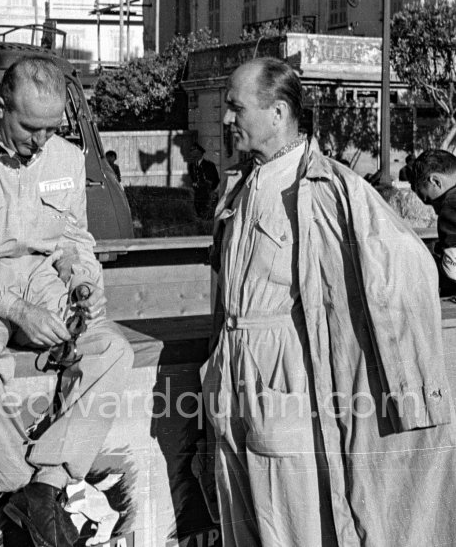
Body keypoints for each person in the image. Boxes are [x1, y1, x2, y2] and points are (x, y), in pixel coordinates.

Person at [202, 57, 456, 546]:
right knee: (239, 522)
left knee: (294, 524)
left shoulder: (333, 188)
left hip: (284, 376)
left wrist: (402, 376)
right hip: (229, 371)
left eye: (236, 108)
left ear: (277, 113)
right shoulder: (235, 187)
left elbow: (409, 269)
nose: (228, 119)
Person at [0, 57, 134, 547]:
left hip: (42, 281)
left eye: (51, 129)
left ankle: (45, 488)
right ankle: (24, 488)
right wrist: (17, 311)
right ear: (0, 108)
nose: (42, 141)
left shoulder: (65, 157)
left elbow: (75, 240)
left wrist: (83, 284)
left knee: (113, 350)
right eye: (30, 128)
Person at [411, 149, 456, 286]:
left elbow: (452, 272)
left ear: (435, 181)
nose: (437, 212)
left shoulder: (450, 205)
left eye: (431, 202)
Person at [188, 143, 220, 219]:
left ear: (201, 154)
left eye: (195, 153)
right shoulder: (191, 166)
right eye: (192, 154)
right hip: (196, 194)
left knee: (207, 215)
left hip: (207, 194)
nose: (193, 156)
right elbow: (192, 179)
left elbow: (216, 180)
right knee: (197, 213)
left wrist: (209, 189)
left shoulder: (209, 165)